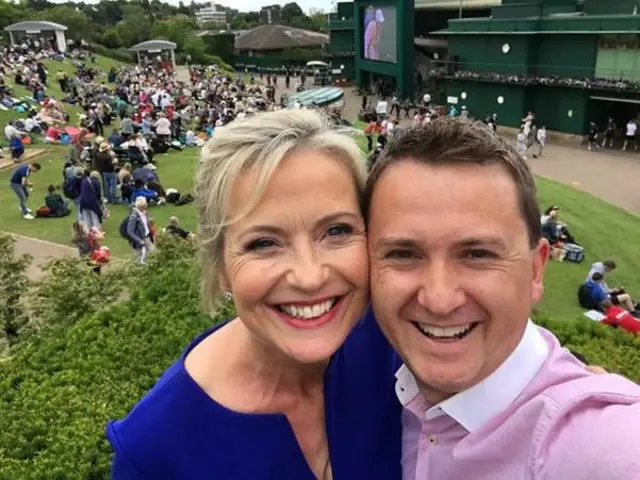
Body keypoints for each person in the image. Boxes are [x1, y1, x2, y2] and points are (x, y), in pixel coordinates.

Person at [106, 110, 402, 479]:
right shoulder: (155, 453)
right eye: (263, 243)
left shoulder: (389, 343)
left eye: (337, 231)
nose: (309, 277)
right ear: (221, 266)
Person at [365, 117, 640, 479]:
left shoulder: (599, 443)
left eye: (477, 254)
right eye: (403, 254)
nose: (439, 299)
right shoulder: (365, 380)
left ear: (535, 271)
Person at [125, 196, 155, 264]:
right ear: (141, 206)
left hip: (147, 237)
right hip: (138, 241)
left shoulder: (145, 212)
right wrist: (139, 241)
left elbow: (145, 224)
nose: (146, 207)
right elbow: (129, 231)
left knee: (153, 253)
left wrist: (149, 222)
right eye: (145, 206)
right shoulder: (134, 216)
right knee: (139, 258)